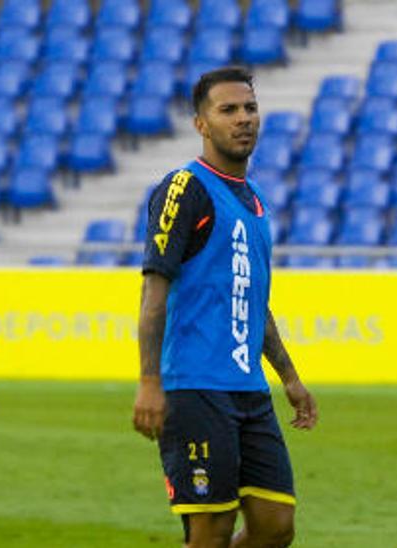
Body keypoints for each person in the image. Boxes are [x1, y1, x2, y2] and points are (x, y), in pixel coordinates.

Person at [132, 67, 319, 548]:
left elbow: (254, 302)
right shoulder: (184, 189)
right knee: (210, 530)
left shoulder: (253, 200)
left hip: (249, 391)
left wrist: (290, 378)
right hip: (195, 387)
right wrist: (150, 382)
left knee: (276, 525)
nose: (243, 119)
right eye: (228, 110)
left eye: (250, 108)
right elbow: (154, 292)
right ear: (201, 124)